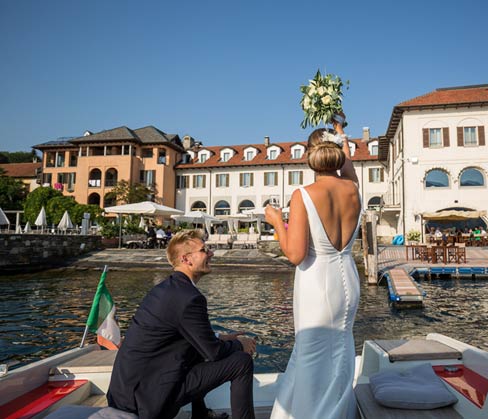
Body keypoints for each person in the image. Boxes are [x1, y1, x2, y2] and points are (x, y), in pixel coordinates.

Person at [265, 113, 361, 419]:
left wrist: (277, 222)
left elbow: (295, 255)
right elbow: (348, 165)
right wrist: (340, 131)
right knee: (341, 350)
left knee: (311, 354)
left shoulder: (303, 195)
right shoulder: (353, 190)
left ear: (309, 156)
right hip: (347, 278)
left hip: (317, 284)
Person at [107, 230, 256, 419]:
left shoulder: (169, 288)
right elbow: (214, 352)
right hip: (146, 400)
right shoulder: (189, 298)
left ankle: (201, 415)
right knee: (241, 362)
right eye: (204, 250)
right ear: (187, 259)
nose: (211, 253)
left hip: (128, 393)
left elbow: (184, 335)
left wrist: (220, 337)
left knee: (196, 350)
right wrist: (240, 344)